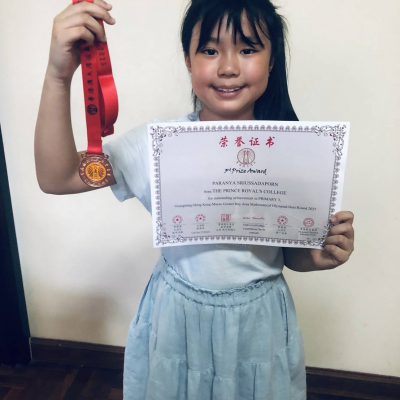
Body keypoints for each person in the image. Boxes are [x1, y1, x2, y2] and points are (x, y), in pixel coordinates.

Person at [35, 0, 355, 398]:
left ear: (272, 61)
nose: (228, 67)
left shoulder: (295, 150)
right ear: (188, 60)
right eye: (209, 50)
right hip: (177, 322)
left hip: (259, 326)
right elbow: (59, 177)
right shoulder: (156, 145)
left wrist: (317, 256)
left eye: (248, 49)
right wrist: (58, 76)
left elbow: (290, 256)